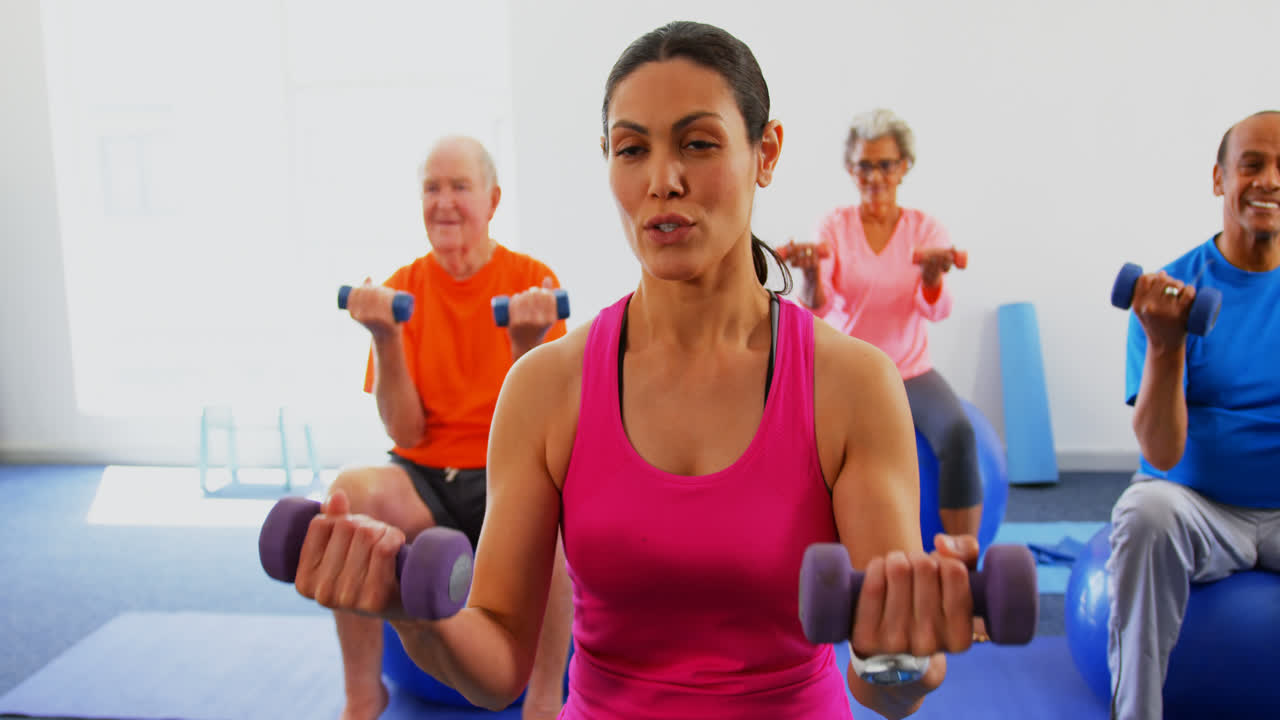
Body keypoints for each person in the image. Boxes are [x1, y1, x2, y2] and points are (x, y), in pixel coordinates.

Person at [294, 22, 981, 719]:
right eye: (632, 150)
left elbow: (883, 685)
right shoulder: (545, 387)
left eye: (699, 143)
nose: (663, 180)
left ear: (765, 151)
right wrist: (412, 612)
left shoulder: (853, 384)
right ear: (608, 160)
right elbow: (500, 663)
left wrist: (907, 653)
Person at [331, 135, 572, 720]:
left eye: (459, 186)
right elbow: (405, 432)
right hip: (425, 477)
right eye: (431, 188)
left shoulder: (531, 280)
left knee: (559, 517)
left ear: (491, 200)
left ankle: (542, 699)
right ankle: (364, 694)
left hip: (507, 474)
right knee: (347, 498)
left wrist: (523, 343)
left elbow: (543, 425)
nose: (444, 201)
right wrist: (386, 337)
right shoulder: (402, 289)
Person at [1110, 109, 1280, 719]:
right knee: (1144, 508)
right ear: (1220, 179)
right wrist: (1166, 343)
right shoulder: (1169, 292)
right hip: (1200, 507)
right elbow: (1160, 454)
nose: (1269, 181)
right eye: (1252, 165)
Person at [784, 109, 982, 540]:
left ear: (904, 166)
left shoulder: (925, 228)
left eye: (885, 165)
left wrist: (931, 280)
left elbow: (937, 311)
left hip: (909, 370)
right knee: (808, 451)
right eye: (864, 165)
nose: (875, 176)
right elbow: (818, 309)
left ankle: (964, 564)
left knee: (960, 434)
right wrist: (813, 276)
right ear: (850, 170)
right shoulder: (835, 226)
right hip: (849, 369)